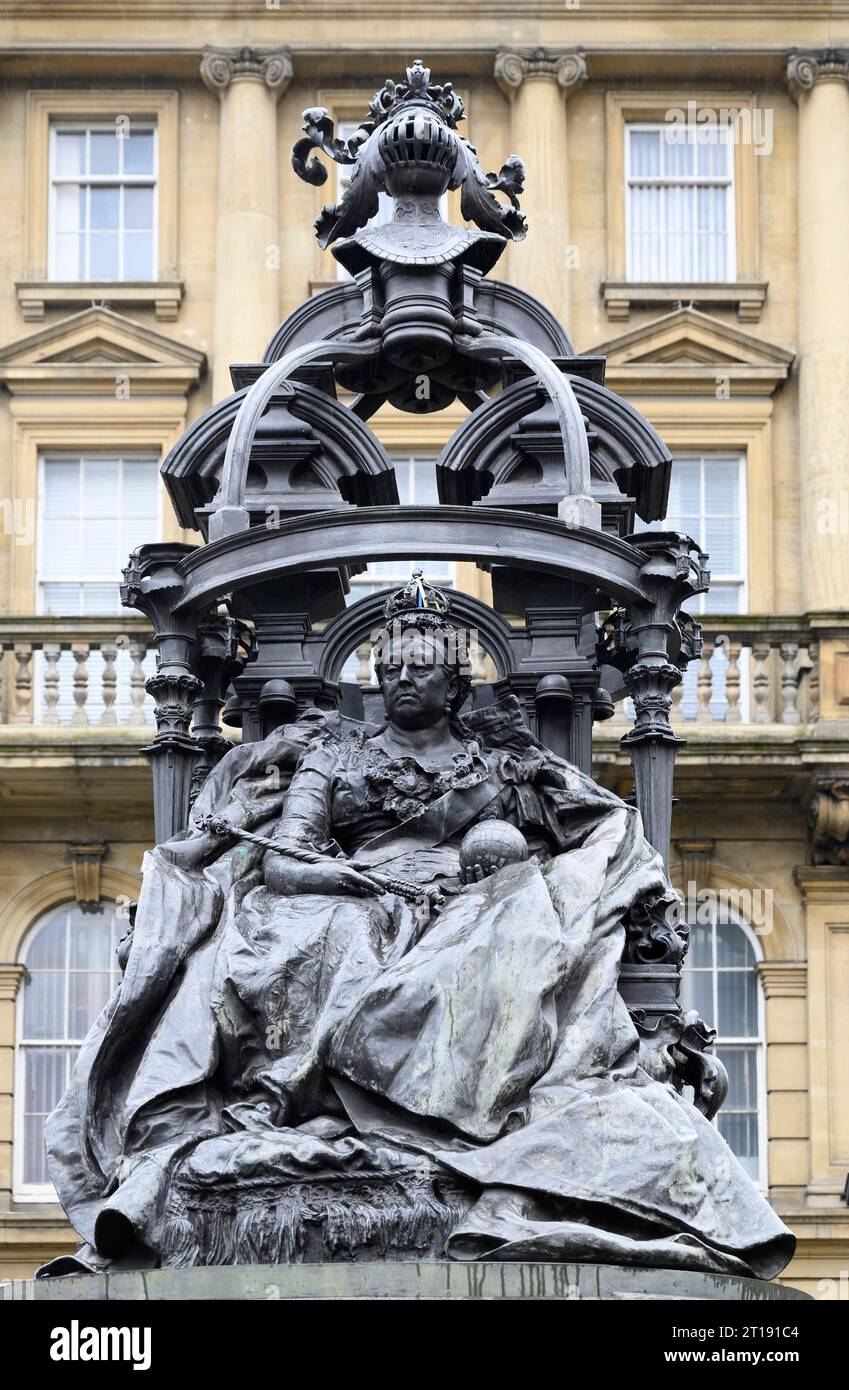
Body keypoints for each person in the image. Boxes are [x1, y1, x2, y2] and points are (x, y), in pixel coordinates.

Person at [40, 582, 794, 1279]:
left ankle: (472, 1109)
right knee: (322, 932)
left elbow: (587, 825)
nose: (402, 680)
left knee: (518, 921)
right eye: (390, 668)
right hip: (346, 891)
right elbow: (285, 863)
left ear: (454, 685)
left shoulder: (498, 767)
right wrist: (351, 877)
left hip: (471, 899)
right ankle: (303, 1094)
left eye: (420, 670)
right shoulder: (333, 758)